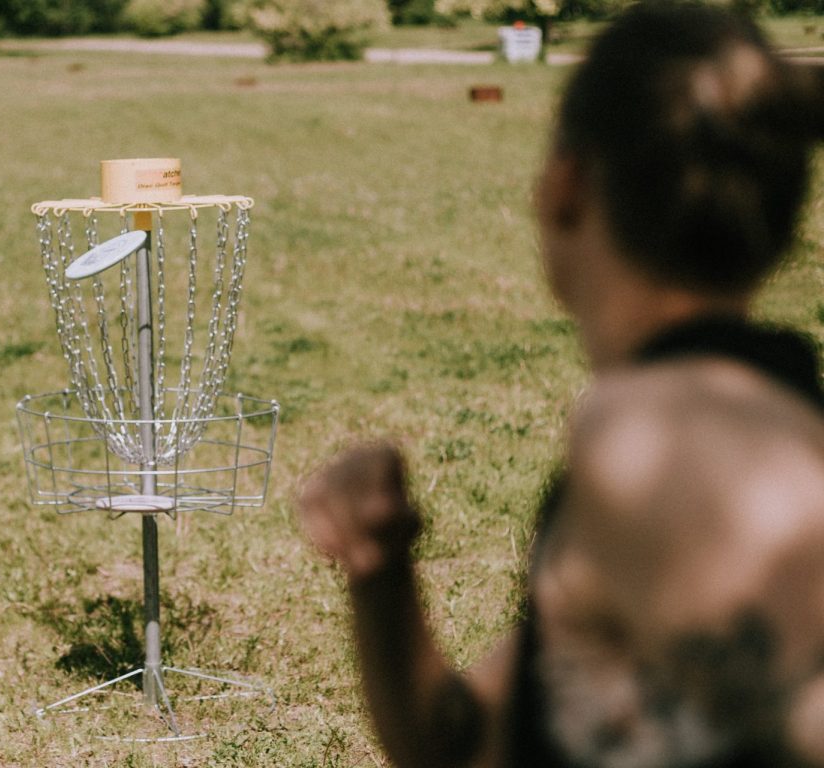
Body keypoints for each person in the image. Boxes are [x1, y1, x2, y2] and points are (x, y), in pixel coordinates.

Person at [298, 4, 824, 767]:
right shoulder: (698, 424)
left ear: (565, 186)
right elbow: (460, 745)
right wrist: (380, 572)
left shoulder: (665, 435)